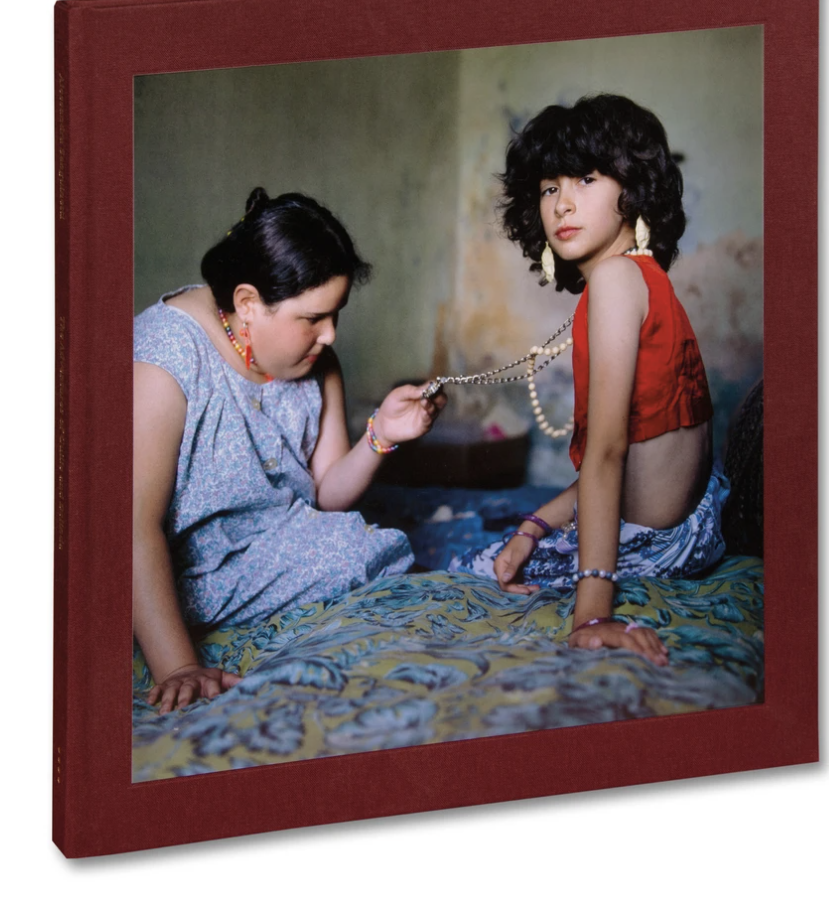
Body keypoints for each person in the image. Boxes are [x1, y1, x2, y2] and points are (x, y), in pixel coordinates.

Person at [134, 187, 446, 712]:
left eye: (336, 315)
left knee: (362, 546)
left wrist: (382, 435)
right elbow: (131, 525)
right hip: (169, 561)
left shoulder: (316, 360)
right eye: (313, 318)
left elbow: (327, 493)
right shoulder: (165, 358)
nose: (330, 335)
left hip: (264, 548)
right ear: (248, 304)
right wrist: (179, 667)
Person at [450, 94, 728, 665]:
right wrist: (533, 526)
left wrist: (593, 616)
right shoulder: (641, 276)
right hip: (693, 532)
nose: (563, 204)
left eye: (585, 178)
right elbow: (640, 463)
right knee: (509, 542)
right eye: (549, 188)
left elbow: (607, 453)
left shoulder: (614, 281)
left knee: (463, 568)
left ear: (634, 191)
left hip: (657, 545)